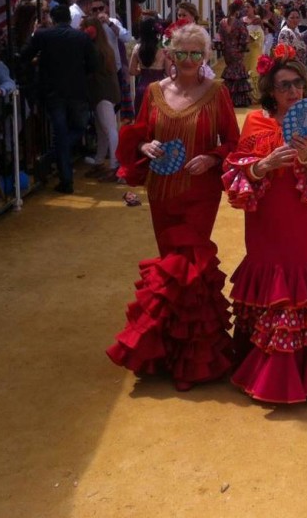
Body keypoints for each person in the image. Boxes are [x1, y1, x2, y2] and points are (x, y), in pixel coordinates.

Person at [107, 22, 240, 391]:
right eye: (181, 52)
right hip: (162, 190)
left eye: (196, 53)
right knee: (170, 267)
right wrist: (144, 147)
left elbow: (233, 141)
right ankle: (167, 349)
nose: (188, 59)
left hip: (200, 192)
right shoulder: (153, 92)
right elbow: (138, 133)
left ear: (206, 56)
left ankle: (195, 359)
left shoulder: (217, 92)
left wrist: (213, 159)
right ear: (169, 54)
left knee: (190, 266)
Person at [221, 45, 307, 404]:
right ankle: (264, 368)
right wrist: (264, 164)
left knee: (300, 277)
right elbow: (237, 171)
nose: (292, 91)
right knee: (269, 275)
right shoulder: (256, 123)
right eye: (283, 86)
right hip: (266, 219)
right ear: (270, 91)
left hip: (305, 220)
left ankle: (304, 373)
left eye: (297, 84)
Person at [20, 4, 96, 194]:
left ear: (53, 19)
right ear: (69, 19)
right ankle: (62, 175)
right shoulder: (82, 37)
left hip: (53, 92)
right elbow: (94, 64)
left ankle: (53, 165)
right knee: (78, 128)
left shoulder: (43, 36)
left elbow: (24, 55)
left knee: (61, 134)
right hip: (76, 91)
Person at [80, 16, 121, 178]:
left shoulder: (97, 50)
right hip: (103, 92)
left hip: (102, 92)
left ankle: (114, 163)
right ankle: (100, 161)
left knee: (109, 129)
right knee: (102, 130)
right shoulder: (105, 48)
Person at [128, 17, 167, 115]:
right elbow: (169, 70)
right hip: (160, 86)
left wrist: (143, 72)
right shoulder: (162, 48)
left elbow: (131, 71)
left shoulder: (138, 47)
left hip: (143, 86)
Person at [219, 0, 252, 107]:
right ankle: (238, 100)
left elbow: (220, 38)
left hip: (227, 52)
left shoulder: (222, 22)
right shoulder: (239, 23)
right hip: (237, 52)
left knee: (230, 73)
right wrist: (243, 48)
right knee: (238, 74)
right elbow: (244, 38)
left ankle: (228, 98)